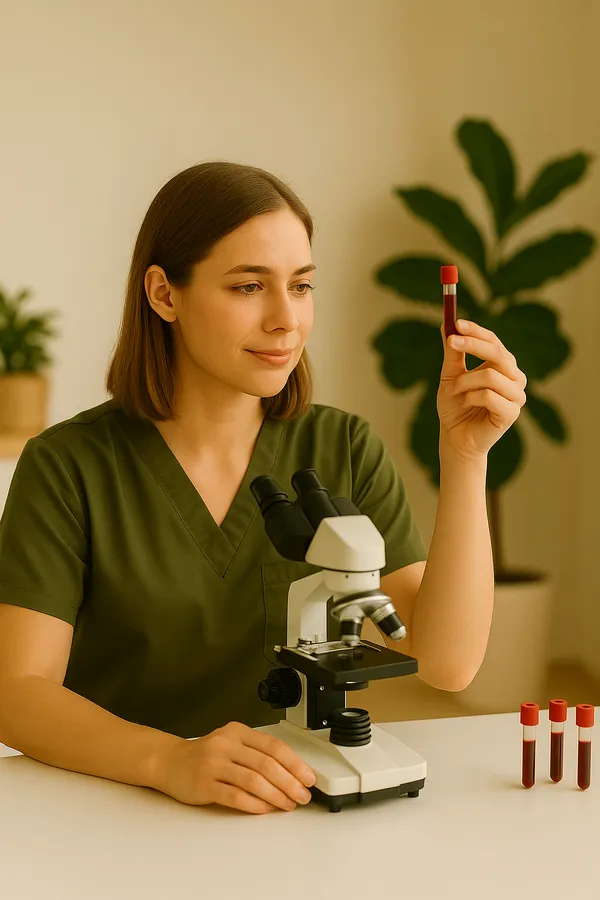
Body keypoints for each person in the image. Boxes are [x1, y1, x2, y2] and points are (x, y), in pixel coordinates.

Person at [0, 161, 526, 815]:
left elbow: (447, 663)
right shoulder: (68, 466)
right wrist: (169, 760)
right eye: (249, 286)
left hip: (286, 807)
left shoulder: (344, 448)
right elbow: (17, 693)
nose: (286, 320)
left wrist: (466, 457)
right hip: (114, 805)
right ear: (165, 294)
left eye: (301, 286)